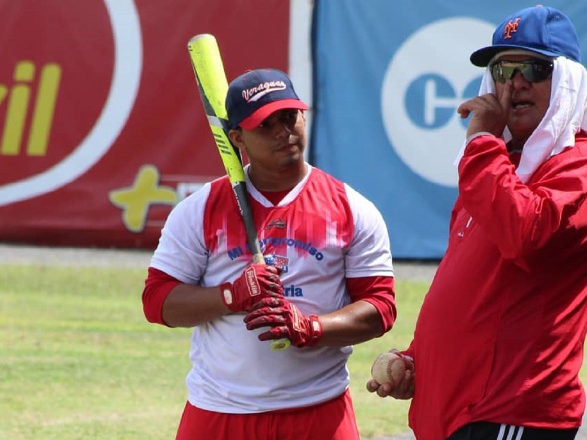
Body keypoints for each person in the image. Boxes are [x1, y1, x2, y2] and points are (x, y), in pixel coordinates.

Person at [367, 5, 587, 440]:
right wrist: (418, 360)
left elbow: (524, 234)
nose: (515, 82)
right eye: (502, 70)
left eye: (533, 68)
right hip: (463, 411)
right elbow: (474, 288)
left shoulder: (584, 166)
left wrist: (482, 143)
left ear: (565, 84)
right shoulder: (497, 167)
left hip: (512, 412)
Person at [142, 68, 396, 440]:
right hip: (220, 413)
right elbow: (157, 301)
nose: (283, 132)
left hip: (319, 412)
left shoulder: (352, 209)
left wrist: (311, 328)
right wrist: (231, 295)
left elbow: (380, 308)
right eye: (265, 125)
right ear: (236, 137)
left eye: (289, 117)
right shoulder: (199, 210)